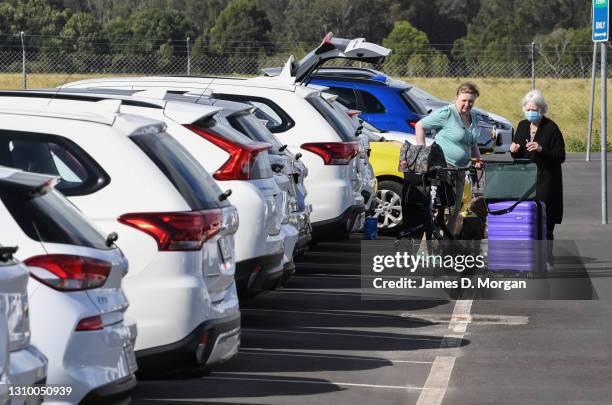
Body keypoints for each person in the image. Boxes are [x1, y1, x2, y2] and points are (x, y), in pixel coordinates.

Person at [402, 82, 483, 238]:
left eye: (471, 101)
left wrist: (477, 159)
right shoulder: (447, 113)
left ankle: (447, 244)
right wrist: (423, 152)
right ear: (456, 98)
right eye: (463, 100)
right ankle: (426, 247)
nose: (467, 104)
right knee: (434, 209)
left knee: (456, 207)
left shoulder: (473, 117)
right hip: (442, 170)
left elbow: (473, 143)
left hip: (460, 170)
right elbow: (420, 125)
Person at [510, 89, 565, 240]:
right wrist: (514, 150)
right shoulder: (522, 125)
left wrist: (541, 149)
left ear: (542, 109)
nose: (530, 112)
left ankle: (547, 255)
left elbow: (560, 156)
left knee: (545, 219)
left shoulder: (551, 128)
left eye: (534, 110)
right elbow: (518, 154)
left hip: (545, 180)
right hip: (525, 179)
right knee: (526, 218)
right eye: (527, 109)